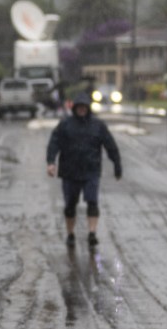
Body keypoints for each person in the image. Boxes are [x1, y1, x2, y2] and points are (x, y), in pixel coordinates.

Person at [46, 91, 122, 248]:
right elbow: (54, 142)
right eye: (79, 107)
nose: (81, 110)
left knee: (92, 203)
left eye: (84, 107)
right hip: (70, 172)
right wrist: (51, 162)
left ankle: (92, 233)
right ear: (74, 108)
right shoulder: (65, 124)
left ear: (88, 108)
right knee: (70, 206)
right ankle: (70, 234)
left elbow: (110, 146)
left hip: (91, 171)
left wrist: (117, 165)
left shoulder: (98, 126)